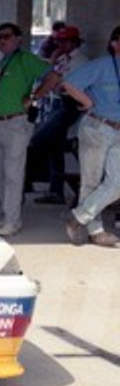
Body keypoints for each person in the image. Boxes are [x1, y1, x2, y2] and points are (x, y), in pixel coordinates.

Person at [0, 23, 52, 236]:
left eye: (6, 37)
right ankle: (7, 214)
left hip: (15, 122)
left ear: (18, 38)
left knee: (13, 173)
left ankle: (13, 219)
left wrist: (35, 97)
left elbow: (53, 76)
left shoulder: (25, 59)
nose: (2, 40)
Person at [61, 24, 120, 248]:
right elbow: (69, 83)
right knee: (91, 181)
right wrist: (88, 103)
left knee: (117, 182)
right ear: (114, 43)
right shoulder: (102, 65)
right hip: (98, 127)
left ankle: (77, 217)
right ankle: (95, 231)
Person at [28, 24, 89, 205]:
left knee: (41, 140)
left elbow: (64, 83)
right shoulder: (63, 59)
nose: (59, 44)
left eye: (63, 41)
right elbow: (51, 77)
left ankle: (79, 187)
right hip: (58, 102)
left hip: (72, 104)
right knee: (56, 147)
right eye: (58, 41)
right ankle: (56, 190)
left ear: (73, 42)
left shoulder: (81, 61)